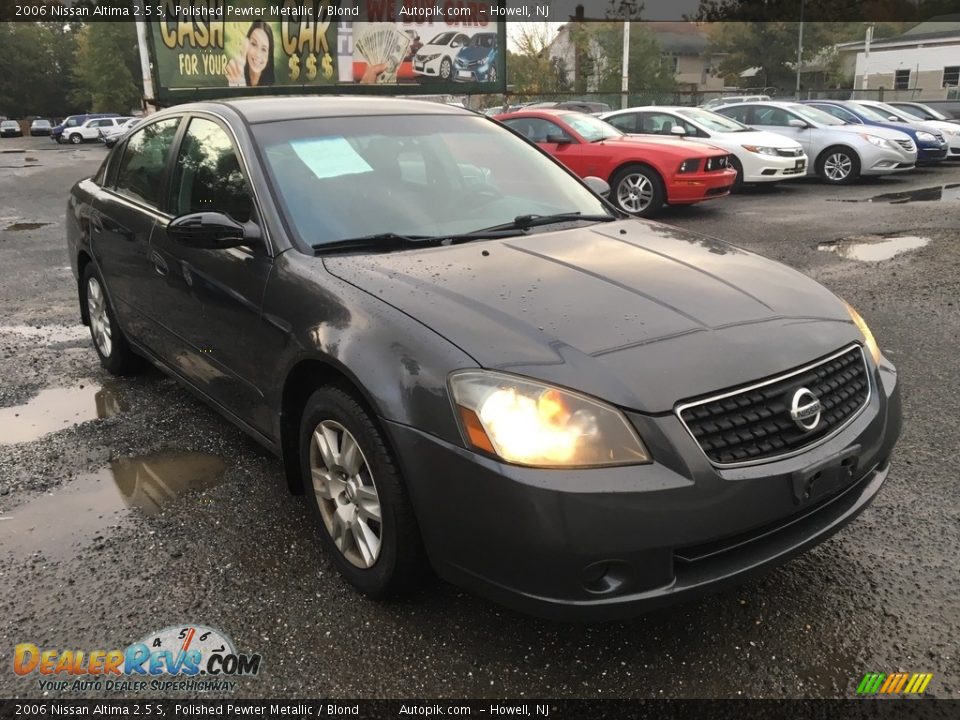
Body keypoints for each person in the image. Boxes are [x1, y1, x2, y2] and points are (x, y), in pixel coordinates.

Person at [225, 21, 275, 88]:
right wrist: (235, 82)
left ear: (269, 55)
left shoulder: (273, 87)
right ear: (247, 44)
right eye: (253, 44)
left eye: (264, 49)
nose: (258, 54)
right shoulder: (236, 72)